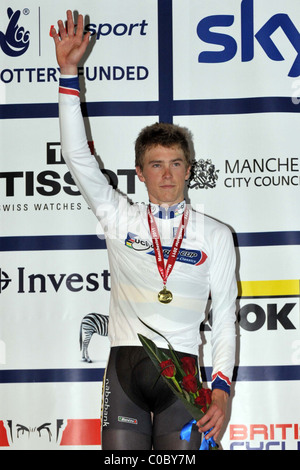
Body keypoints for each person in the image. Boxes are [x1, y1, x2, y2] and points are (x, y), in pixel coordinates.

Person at [52, 11, 237, 450]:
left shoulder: (215, 234)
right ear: (140, 173)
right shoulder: (120, 218)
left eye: (176, 164)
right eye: (157, 164)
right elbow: (78, 158)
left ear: (189, 170)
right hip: (124, 374)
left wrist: (223, 389)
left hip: (186, 379)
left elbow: (226, 317)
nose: (167, 174)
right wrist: (68, 75)